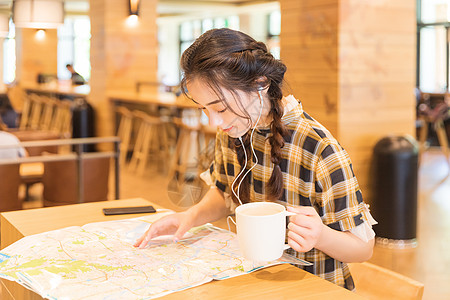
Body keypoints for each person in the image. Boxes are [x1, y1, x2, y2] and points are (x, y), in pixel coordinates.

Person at [134, 28, 376, 290]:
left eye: (220, 108)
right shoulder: (234, 129)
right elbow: (224, 192)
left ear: (260, 84)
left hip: (314, 289)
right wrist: (189, 218)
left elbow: (363, 249)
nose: (213, 121)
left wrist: (320, 235)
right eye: (204, 109)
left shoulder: (320, 149)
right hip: (257, 283)